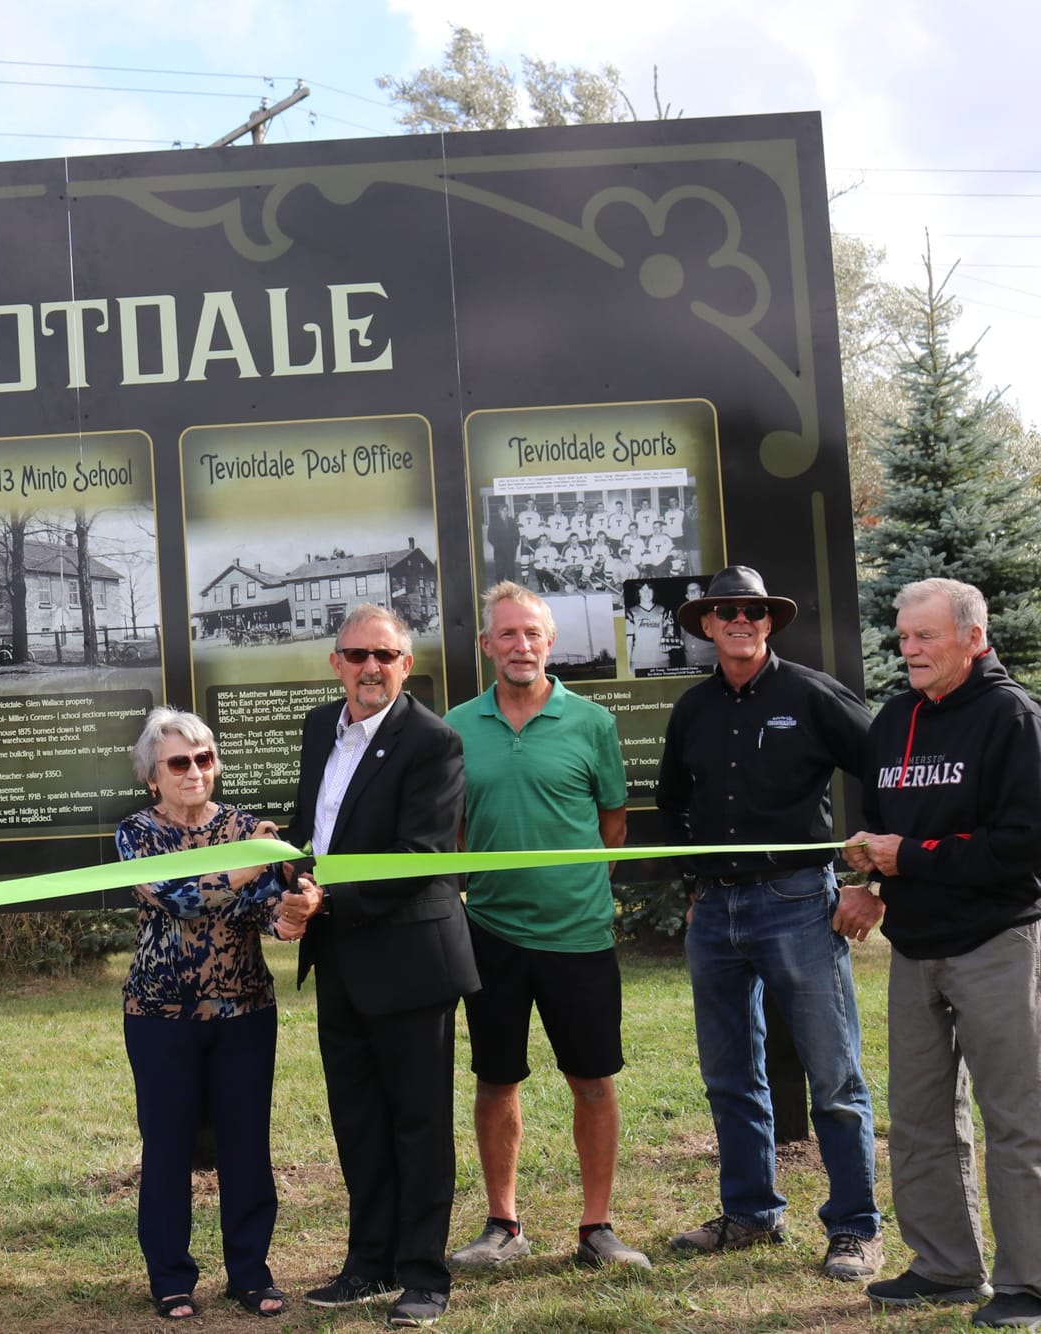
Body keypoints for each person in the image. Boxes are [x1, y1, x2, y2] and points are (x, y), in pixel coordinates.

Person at [654, 566, 883, 1281]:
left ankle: (854, 1228)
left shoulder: (810, 694)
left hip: (797, 904)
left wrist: (869, 879)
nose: (739, 620)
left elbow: (891, 769)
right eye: (725, 611)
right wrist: (696, 882)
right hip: (715, 910)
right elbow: (671, 804)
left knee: (834, 1077)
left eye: (752, 610)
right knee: (729, 1076)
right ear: (707, 626)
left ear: (768, 621)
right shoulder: (692, 709)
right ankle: (751, 1213)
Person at [844, 578, 1041, 1327]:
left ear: (973, 636)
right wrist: (869, 880)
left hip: (998, 943)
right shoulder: (895, 719)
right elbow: (879, 822)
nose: (909, 650)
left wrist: (910, 857)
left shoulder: (1013, 718)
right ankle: (946, 1266)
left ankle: (1030, 1282)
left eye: (925, 636)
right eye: (903, 636)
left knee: (1017, 1117)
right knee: (920, 1114)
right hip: (915, 949)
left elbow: (1023, 846)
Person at [276, 603, 477, 1328]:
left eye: (385, 656)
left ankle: (424, 1276)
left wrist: (324, 900)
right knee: (358, 1119)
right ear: (336, 663)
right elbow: (316, 830)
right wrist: (282, 862)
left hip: (412, 959)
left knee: (419, 1123)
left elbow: (420, 859)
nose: (370, 668)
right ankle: (368, 1264)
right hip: (340, 961)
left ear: (406, 664)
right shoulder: (315, 728)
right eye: (357, 655)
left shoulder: (434, 742)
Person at [443, 584, 644, 1272]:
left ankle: (596, 1230)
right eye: (507, 635)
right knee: (496, 1082)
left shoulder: (591, 723)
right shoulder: (457, 726)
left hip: (580, 936)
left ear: (549, 643)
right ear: (486, 646)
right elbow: (457, 831)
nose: (520, 646)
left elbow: (612, 827)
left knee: (592, 1082)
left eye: (532, 634)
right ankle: (503, 1224)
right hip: (491, 933)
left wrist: (573, 890)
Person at [114, 706, 320, 1320]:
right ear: (153, 776)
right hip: (158, 1014)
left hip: (245, 1010)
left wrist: (295, 910)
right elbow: (179, 899)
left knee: (246, 1144)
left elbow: (264, 915)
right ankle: (171, 1278)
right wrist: (256, 858)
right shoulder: (136, 833)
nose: (194, 771)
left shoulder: (243, 827)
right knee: (168, 1145)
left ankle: (251, 1273)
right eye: (179, 762)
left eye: (204, 759)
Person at [625, 581, 672, 674]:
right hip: (638, 662)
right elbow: (628, 642)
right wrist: (627, 667)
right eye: (643, 590)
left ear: (654, 591)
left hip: (662, 660)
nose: (646, 593)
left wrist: (669, 642)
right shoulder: (630, 612)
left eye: (649, 589)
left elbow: (670, 632)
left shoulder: (664, 610)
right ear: (638, 592)